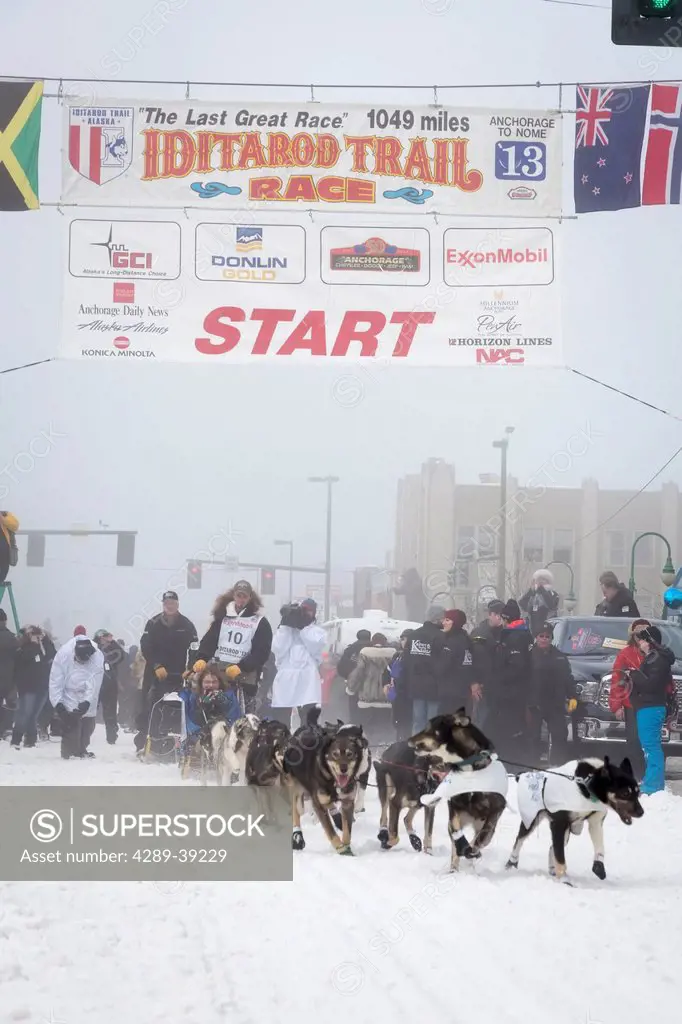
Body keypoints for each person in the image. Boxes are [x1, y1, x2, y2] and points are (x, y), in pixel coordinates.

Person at [192, 580, 272, 715]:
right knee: (216, 711)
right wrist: (202, 658)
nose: (241, 599)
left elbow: (262, 652)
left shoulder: (259, 622)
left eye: (244, 596)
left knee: (242, 715)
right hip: (221, 675)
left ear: (250, 598)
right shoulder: (222, 618)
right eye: (238, 595)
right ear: (233, 596)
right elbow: (210, 640)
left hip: (245, 677)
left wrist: (242, 666)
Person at [134, 591, 198, 752]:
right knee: (149, 705)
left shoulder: (187, 625)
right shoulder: (153, 623)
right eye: (167, 603)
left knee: (175, 707)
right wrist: (156, 665)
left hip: (178, 673)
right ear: (163, 604)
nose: (170, 606)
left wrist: (190, 668)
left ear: (177, 604)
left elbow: (194, 648)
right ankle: (144, 741)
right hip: (155, 673)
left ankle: (173, 742)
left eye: (173, 603)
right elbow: (146, 646)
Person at [484, 599, 533, 770]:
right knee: (506, 728)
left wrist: (499, 679)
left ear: (506, 619)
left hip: (510, 693)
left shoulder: (515, 637)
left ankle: (511, 764)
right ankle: (509, 761)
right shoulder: (517, 634)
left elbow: (516, 666)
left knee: (506, 729)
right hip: (511, 692)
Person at [627, 624, 675, 794]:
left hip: (652, 706)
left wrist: (633, 675)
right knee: (648, 745)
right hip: (648, 706)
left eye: (642, 640)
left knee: (651, 746)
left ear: (650, 641)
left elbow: (651, 684)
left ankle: (654, 785)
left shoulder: (657, 659)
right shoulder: (654, 658)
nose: (639, 643)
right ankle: (651, 781)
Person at [270, 599, 326, 727]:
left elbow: (315, 645)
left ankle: (307, 744)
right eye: (303, 610)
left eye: (309, 611)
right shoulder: (285, 630)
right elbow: (278, 649)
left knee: (309, 722)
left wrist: (303, 627)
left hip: (308, 679)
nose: (305, 614)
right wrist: (285, 625)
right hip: (286, 678)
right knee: (281, 722)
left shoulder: (316, 631)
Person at [527, 622, 577, 765]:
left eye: (547, 636)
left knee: (560, 735)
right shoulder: (529, 656)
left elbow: (568, 678)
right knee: (533, 737)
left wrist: (573, 697)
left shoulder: (560, 657)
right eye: (541, 636)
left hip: (555, 703)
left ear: (551, 638)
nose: (544, 639)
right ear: (536, 638)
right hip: (534, 703)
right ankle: (532, 765)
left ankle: (557, 765)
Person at [49, 634, 105, 760]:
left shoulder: (97, 658)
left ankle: (82, 748)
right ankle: (68, 750)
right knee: (71, 722)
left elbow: (94, 683)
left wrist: (86, 702)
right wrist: (59, 705)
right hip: (68, 690)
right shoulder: (63, 655)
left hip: (87, 691)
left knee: (88, 724)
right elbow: (55, 681)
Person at [609, 618, 651, 780]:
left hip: (650, 703)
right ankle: (637, 774)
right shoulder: (625, 654)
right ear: (632, 635)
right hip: (631, 704)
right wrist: (616, 705)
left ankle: (650, 773)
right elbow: (617, 679)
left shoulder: (656, 652)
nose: (641, 636)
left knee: (649, 740)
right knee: (633, 740)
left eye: (645, 633)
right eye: (638, 633)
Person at [403, 604, 448, 735]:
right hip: (434, 686)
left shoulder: (414, 635)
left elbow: (407, 660)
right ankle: (430, 750)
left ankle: (416, 750)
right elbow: (443, 662)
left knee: (418, 721)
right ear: (438, 619)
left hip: (416, 685)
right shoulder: (440, 637)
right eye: (443, 618)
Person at [10, 625, 56, 749]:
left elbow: (52, 654)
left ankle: (30, 740)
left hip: (42, 687)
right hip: (28, 688)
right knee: (24, 714)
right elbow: (21, 664)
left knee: (33, 715)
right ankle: (16, 739)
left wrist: (45, 638)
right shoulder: (22, 650)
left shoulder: (42, 649)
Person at [345, 633, 394, 745]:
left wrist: (351, 688)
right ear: (385, 642)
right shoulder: (393, 654)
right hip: (385, 698)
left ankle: (369, 746)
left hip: (367, 698)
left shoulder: (364, 653)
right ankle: (381, 746)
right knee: (383, 726)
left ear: (373, 642)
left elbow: (358, 673)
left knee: (366, 727)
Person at [469, 599, 507, 731]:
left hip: (500, 685)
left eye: (502, 615)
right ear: (490, 614)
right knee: (480, 720)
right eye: (496, 614)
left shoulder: (506, 633)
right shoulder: (479, 633)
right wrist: (474, 682)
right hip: (482, 685)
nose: (499, 618)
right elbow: (470, 659)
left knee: (496, 723)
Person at [439, 609, 477, 715]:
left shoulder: (452, 642)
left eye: (447, 620)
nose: (443, 623)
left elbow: (442, 666)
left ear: (455, 622)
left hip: (450, 693)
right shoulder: (466, 640)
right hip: (464, 693)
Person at [93, 630, 125, 745]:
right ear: (101, 637)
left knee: (110, 711)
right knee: (91, 710)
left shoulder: (113, 648)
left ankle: (111, 736)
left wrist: (113, 643)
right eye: (106, 637)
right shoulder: (93, 647)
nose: (108, 639)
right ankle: (84, 735)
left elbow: (122, 656)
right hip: (95, 684)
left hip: (110, 684)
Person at [384, 629, 414, 741]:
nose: (402, 642)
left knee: (406, 724)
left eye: (404, 639)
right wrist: (386, 684)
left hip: (407, 695)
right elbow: (387, 671)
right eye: (401, 639)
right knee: (397, 723)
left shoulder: (413, 656)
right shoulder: (397, 655)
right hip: (396, 695)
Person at [519, 569, 560, 638]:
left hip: (546, 628)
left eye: (543, 580)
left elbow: (552, 605)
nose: (541, 582)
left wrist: (542, 591)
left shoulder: (553, 594)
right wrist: (531, 590)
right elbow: (522, 603)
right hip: (532, 628)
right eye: (539, 580)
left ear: (548, 581)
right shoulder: (534, 594)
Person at [0, 608, 18, 737]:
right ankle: (7, 728)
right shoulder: (12, 638)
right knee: (11, 703)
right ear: (5, 621)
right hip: (10, 678)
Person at [0, 511, 19, 586]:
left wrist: (2, 519)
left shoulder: (5, 514)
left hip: (5, 552)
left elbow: (15, 525)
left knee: (3, 569)